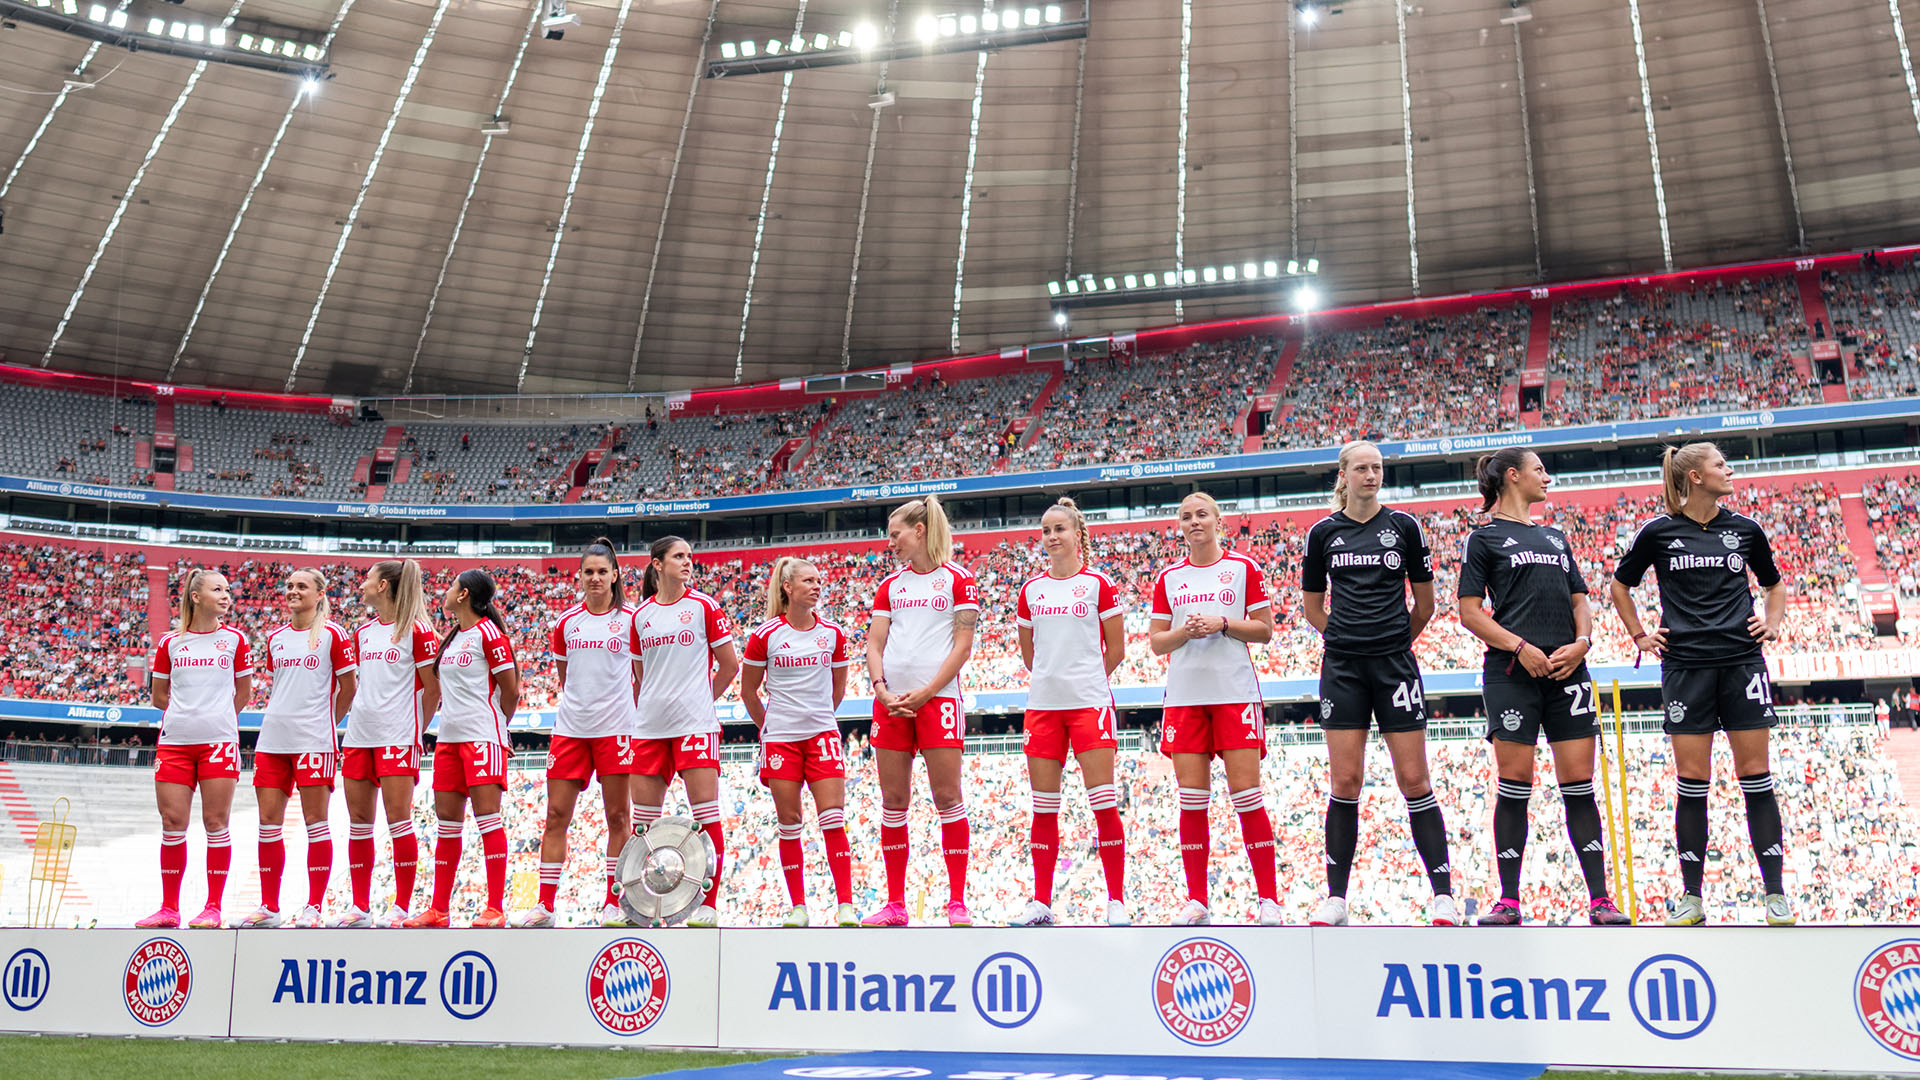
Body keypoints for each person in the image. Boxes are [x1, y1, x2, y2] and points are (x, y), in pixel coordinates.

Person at [1609, 441, 1794, 926]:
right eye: (1719, 465)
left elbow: (1774, 585)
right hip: (1685, 667)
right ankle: (1691, 897)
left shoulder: (1746, 530)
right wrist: (1639, 634)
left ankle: (1775, 894)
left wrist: (1772, 623)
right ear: (1694, 477)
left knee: (1757, 779)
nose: (1728, 470)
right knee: (1693, 784)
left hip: (1742, 664)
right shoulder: (1658, 532)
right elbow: (1619, 585)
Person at [1458, 448, 1630, 926]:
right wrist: (1519, 648)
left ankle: (1600, 900)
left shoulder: (1555, 537)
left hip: (1568, 673)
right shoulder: (1484, 538)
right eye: (1539, 470)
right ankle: (1509, 900)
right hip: (1514, 675)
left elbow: (1581, 600)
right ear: (1514, 477)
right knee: (1514, 786)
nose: (1547, 478)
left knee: (1580, 786)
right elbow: (1470, 612)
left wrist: (1583, 643)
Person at [1300, 441, 1455, 927]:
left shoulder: (1404, 527)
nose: (1372, 475)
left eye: (1378, 468)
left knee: (1415, 781)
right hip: (1343, 668)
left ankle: (1444, 896)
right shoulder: (1323, 533)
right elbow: (1311, 608)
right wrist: (1347, 640)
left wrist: (1391, 643)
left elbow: (1425, 605)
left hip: (1394, 667)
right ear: (1343, 475)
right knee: (1345, 782)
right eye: (1362, 468)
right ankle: (1336, 898)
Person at [1150, 490, 1281, 926]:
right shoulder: (1169, 577)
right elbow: (1156, 643)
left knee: (1247, 796)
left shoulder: (1244, 568)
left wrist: (1222, 624)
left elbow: (1265, 630)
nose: (1193, 522)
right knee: (1192, 801)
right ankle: (1197, 900)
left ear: (1218, 520)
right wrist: (1185, 632)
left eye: (1201, 514)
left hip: (1234, 693)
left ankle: (1268, 900)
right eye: (1185, 516)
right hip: (1185, 698)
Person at [1008, 497, 1130, 927]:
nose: (1052, 536)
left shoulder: (1099, 584)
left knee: (1103, 803)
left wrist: (1085, 680)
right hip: (1043, 708)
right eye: (1045, 530)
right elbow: (1029, 656)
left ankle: (1116, 900)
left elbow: (1115, 649)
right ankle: (1041, 901)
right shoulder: (1031, 591)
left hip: (1089, 705)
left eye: (1059, 528)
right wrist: (1056, 679)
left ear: (1078, 535)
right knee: (1043, 807)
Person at [862, 494, 979, 927]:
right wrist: (881, 688)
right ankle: (895, 904)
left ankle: (957, 901)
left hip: (940, 701)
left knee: (948, 798)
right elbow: (874, 644)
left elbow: (963, 648)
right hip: (890, 703)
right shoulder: (890, 585)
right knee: (893, 801)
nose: (890, 542)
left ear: (920, 531)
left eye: (896, 534)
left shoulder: (959, 580)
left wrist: (928, 691)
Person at [522, 539, 639, 928]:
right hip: (571, 730)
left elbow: (639, 676)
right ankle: (545, 906)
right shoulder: (566, 623)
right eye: (588, 572)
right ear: (579, 576)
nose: (595, 578)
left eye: (602, 571)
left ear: (615, 575)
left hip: (617, 730)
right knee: (555, 816)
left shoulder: (631, 620)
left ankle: (613, 901)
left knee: (618, 816)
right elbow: (565, 677)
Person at [629, 535, 740, 928]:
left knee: (706, 817)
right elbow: (639, 676)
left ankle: (708, 904)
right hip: (649, 728)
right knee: (642, 825)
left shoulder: (704, 606)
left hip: (695, 725)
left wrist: (699, 698)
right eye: (679, 556)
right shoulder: (640, 616)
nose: (688, 562)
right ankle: (641, 908)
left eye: (690, 556)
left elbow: (729, 665)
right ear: (657, 564)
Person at [741, 556, 856, 927]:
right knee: (789, 822)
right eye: (808, 580)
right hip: (782, 742)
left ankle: (845, 905)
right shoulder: (765, 636)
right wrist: (772, 726)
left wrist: (816, 718)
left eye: (819, 580)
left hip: (821, 736)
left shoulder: (833, 634)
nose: (816, 586)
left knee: (833, 820)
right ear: (788, 587)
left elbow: (837, 691)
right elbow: (749, 693)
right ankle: (798, 907)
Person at [239, 568, 356, 929]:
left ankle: (314, 908)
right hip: (272, 740)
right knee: (268, 825)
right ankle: (269, 906)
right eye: (289, 586)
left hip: (314, 742)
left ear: (320, 593)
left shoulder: (334, 635)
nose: (292, 591)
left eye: (301, 586)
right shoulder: (275, 637)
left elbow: (348, 689)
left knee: (316, 824)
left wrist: (325, 723)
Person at [137, 569, 254, 929]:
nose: (226, 594)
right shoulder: (170, 643)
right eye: (217, 589)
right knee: (172, 824)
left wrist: (213, 718)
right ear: (196, 596)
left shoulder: (235, 639)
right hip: (174, 743)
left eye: (227, 589)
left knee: (215, 823)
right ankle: (169, 909)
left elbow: (244, 694)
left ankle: (213, 908)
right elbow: (159, 696)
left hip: (218, 742)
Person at [405, 569, 519, 928]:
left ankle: (495, 907)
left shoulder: (491, 636)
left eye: (451, 586)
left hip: (482, 738)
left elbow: (511, 691)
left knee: (488, 821)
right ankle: (439, 909)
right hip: (449, 740)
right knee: (447, 827)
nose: (446, 590)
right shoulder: (453, 638)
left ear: (464, 594)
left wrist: (498, 726)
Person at [340, 559, 440, 927]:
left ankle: (400, 906)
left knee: (398, 822)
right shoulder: (364, 633)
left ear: (383, 586)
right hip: (359, 736)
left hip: (398, 737)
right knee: (358, 823)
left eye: (367, 578)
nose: (362, 584)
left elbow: (433, 689)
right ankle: (359, 906)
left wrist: (414, 730)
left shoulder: (418, 631)